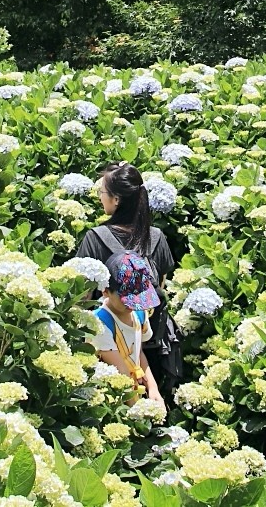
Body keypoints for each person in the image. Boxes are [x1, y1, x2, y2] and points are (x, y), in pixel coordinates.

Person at [74, 162, 183, 402]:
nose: (100, 197)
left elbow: (80, 300)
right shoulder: (156, 238)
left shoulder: (94, 239)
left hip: (104, 354)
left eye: (102, 192)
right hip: (148, 349)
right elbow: (160, 288)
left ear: (116, 200)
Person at [91, 251, 164, 409]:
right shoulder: (99, 323)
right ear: (106, 291)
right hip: (112, 398)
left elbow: (138, 353)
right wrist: (138, 411)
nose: (133, 305)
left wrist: (152, 387)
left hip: (135, 389)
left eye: (138, 298)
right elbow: (121, 372)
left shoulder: (139, 312)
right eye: (127, 299)